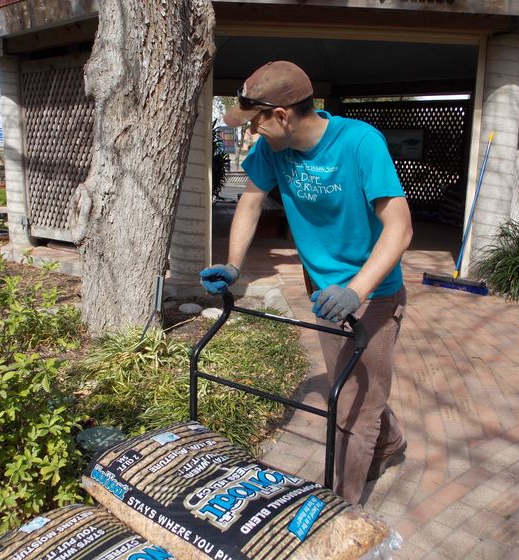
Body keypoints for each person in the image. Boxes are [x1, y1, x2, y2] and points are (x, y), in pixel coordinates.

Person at [199, 61, 413, 505]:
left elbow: (399, 228)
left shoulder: (360, 143)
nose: (251, 135)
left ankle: (340, 508)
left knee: (353, 410)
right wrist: (234, 266)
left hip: (372, 291)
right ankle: (390, 442)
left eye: (255, 123)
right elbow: (251, 202)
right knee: (355, 385)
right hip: (323, 291)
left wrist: (357, 289)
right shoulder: (273, 150)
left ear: (281, 115)